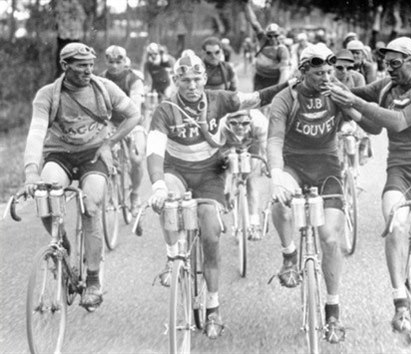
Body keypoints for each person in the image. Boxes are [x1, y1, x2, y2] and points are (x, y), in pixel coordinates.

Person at [146, 54, 294, 339]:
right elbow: (154, 150)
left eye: (196, 79)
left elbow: (257, 98)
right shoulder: (165, 109)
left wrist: (290, 83)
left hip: (211, 174)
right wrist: (158, 186)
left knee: (211, 235)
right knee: (169, 204)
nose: (191, 85)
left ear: (204, 79)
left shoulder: (219, 99)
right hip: (175, 171)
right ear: (176, 81)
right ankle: (171, 257)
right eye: (185, 80)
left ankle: (213, 306)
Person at [328, 37, 411, 333]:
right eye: (386, 64)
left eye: (396, 63)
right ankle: (400, 302)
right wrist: (328, 83)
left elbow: (397, 122)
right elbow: (369, 120)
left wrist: (355, 103)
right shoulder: (385, 87)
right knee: (395, 224)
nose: (390, 69)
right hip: (400, 170)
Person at [23, 42, 141, 310]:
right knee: (45, 197)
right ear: (65, 66)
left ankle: (92, 280)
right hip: (60, 154)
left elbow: (134, 114)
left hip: (93, 156)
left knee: (91, 205)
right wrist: (31, 171)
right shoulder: (47, 95)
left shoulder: (104, 88)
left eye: (91, 65)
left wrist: (109, 143)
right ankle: (61, 244)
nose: (88, 70)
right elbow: (36, 133)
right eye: (81, 66)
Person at [267, 43, 363, 344]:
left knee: (330, 238)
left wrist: (353, 108)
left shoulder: (335, 93)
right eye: (319, 72)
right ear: (304, 70)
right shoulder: (286, 98)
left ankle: (333, 309)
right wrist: (276, 174)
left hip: (328, 169)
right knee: (279, 202)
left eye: (329, 72)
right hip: (293, 164)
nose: (326, 77)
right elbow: (273, 140)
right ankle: (289, 255)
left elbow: (369, 124)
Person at [102, 45, 146, 215]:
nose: (114, 66)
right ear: (106, 61)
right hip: (110, 122)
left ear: (124, 61)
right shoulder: (100, 79)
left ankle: (135, 194)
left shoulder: (133, 80)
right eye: (110, 61)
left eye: (118, 61)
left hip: (132, 121)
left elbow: (135, 107)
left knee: (136, 159)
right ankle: (109, 188)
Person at [220, 109, 268, 240]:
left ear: (251, 121)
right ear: (228, 122)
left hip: (252, 143)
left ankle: (254, 223)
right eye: (234, 123)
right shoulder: (221, 125)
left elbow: (265, 147)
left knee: (251, 180)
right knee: (226, 171)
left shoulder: (259, 123)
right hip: (229, 144)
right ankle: (229, 196)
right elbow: (217, 150)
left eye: (244, 123)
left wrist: (265, 164)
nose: (239, 127)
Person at [333, 49, 372, 165]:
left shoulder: (358, 78)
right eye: (340, 68)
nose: (344, 71)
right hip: (333, 117)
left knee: (351, 140)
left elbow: (360, 102)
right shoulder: (327, 77)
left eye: (349, 68)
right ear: (333, 66)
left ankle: (353, 169)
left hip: (351, 116)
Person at [244, 2, 291, 90]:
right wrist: (246, 5)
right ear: (266, 35)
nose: (272, 38)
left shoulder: (282, 50)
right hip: (259, 77)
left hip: (274, 79)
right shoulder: (263, 40)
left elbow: (284, 71)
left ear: (279, 36)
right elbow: (254, 23)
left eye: (275, 36)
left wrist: (280, 88)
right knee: (257, 100)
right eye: (270, 35)